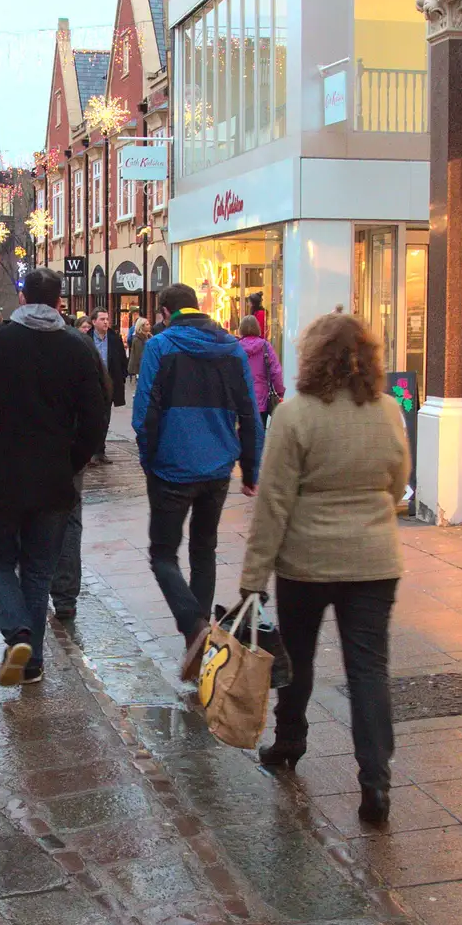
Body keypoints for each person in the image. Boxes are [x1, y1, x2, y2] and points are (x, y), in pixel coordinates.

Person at [239, 312, 410, 827]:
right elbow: (399, 481)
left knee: (299, 658)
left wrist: (253, 579)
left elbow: (273, 502)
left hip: (306, 562)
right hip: (375, 560)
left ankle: (289, 741)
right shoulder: (387, 411)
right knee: (368, 669)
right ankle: (375, 779)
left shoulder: (295, 416)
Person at [0, 267, 108, 687]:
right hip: (52, 476)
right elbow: (96, 416)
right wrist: (73, 459)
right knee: (37, 570)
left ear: (22, 299)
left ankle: (18, 635)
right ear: (58, 302)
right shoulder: (77, 347)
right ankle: (30, 662)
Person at [132, 283, 262, 679]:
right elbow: (250, 414)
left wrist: (148, 459)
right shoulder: (232, 348)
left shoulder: (160, 346)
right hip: (217, 470)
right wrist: (250, 468)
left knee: (162, 554)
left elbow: (144, 415)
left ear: (167, 312)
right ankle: (199, 644)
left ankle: (195, 627)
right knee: (204, 551)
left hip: (171, 467)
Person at [88, 308, 128, 464]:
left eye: (107, 319)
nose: (106, 322)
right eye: (102, 319)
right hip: (91, 384)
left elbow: (122, 361)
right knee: (92, 418)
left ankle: (101, 451)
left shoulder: (114, 339)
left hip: (109, 384)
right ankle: (91, 452)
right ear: (94, 322)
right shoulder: (87, 339)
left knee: (105, 419)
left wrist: (121, 377)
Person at [237, 316, 285, 425]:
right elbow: (276, 372)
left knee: (244, 435)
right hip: (262, 400)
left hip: (242, 399)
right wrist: (280, 391)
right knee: (261, 433)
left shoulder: (237, 347)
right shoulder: (265, 347)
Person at [127, 317, 152, 382]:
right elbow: (139, 356)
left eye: (149, 324)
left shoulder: (150, 336)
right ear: (142, 326)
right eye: (147, 324)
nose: (149, 326)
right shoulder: (137, 339)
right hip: (141, 368)